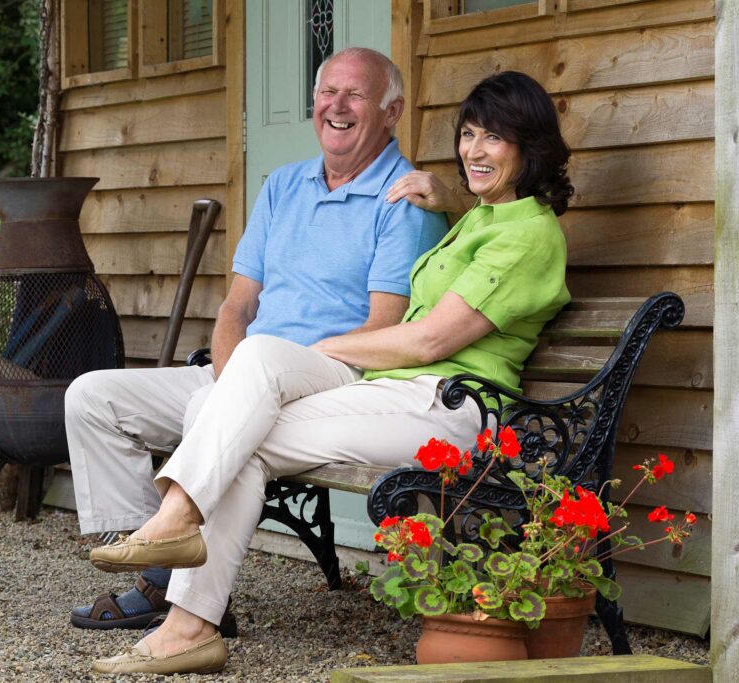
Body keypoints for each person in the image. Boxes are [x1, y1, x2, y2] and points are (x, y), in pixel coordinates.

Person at [85, 69, 574, 675]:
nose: (475, 150)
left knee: (247, 410)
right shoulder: (484, 215)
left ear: (531, 148)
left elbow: (430, 339)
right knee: (249, 397)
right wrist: (451, 192)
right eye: (468, 135)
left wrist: (332, 345)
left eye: (493, 139)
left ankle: (180, 552)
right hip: (397, 395)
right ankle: (185, 606)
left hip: (449, 405)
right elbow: (482, 204)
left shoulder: (530, 236)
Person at [66, 47, 448, 641]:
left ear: (392, 110)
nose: (337, 106)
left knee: (252, 368)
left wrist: (252, 378)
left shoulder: (403, 202)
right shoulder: (283, 186)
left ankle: (166, 588)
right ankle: (157, 566)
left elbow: (382, 327)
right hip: (245, 370)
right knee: (94, 396)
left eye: (355, 95)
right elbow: (237, 307)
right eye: (327, 92)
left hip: (329, 378)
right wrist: (229, 380)